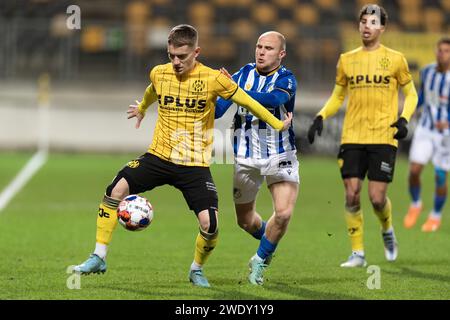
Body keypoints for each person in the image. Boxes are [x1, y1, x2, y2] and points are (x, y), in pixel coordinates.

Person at [73, 24, 292, 288]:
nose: (175, 62)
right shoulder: (159, 73)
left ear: (196, 52)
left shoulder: (214, 79)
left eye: (182, 57)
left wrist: (278, 124)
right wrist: (142, 107)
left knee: (210, 224)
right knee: (114, 189)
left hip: (194, 165)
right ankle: (99, 255)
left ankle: (196, 269)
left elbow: (249, 102)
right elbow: (152, 91)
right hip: (159, 156)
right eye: (171, 56)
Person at [307, 4, 418, 267]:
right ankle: (358, 253)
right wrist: (321, 116)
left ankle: (387, 230)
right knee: (352, 194)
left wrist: (404, 119)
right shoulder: (347, 59)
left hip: (383, 135)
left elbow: (412, 93)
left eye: (372, 22)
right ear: (358, 26)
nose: (366, 26)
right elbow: (338, 96)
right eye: (363, 22)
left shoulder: (396, 59)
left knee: (377, 198)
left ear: (382, 28)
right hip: (352, 136)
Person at [215, 31, 298, 285]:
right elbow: (219, 111)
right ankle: (268, 242)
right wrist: (208, 93)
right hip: (245, 158)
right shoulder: (243, 73)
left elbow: (274, 100)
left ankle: (260, 260)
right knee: (246, 221)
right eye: (259, 46)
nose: (261, 52)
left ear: (281, 54)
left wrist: (235, 91)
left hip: (279, 154)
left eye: (269, 48)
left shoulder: (287, 79)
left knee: (283, 214)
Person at [403, 37, 450, 232]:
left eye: (446, 51)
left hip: (446, 134)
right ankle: (416, 204)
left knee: (440, 176)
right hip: (425, 128)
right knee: (414, 170)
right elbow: (422, 94)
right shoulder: (427, 71)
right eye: (440, 50)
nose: (442, 54)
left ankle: (435, 216)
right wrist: (414, 107)